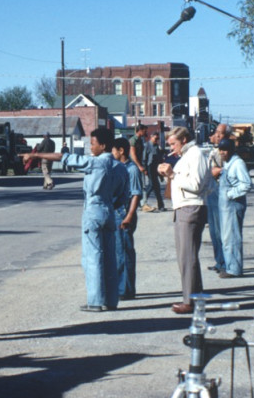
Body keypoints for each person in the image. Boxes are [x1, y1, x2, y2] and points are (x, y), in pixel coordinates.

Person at [33, 127, 127, 312]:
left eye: (93, 143)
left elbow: (64, 158)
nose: (90, 147)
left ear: (103, 145)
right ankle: (111, 300)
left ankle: (95, 300)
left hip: (93, 210)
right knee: (109, 258)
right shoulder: (120, 167)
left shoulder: (95, 163)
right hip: (109, 211)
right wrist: (109, 207)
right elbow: (123, 196)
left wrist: (34, 154)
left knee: (92, 257)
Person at [158, 126, 213, 314]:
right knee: (187, 256)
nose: (171, 147)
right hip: (185, 207)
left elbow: (196, 185)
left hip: (190, 207)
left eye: (173, 143)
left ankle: (189, 300)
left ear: (184, 140)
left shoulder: (195, 154)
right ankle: (195, 296)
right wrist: (168, 175)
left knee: (187, 257)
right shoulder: (188, 156)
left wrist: (173, 175)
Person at [112, 137, 143, 300]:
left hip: (125, 214)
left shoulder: (132, 169)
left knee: (124, 252)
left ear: (121, 151)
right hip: (117, 213)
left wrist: (129, 216)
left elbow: (136, 194)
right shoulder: (119, 167)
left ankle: (125, 290)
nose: (112, 153)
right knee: (119, 252)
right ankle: (122, 287)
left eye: (114, 150)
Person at [217, 138, 252, 278]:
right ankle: (229, 265)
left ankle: (234, 269)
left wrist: (229, 194)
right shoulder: (227, 163)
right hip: (225, 207)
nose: (222, 153)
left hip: (233, 205)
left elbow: (246, 184)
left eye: (224, 150)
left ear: (231, 150)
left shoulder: (238, 164)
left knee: (232, 238)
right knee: (226, 237)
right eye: (220, 150)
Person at [204, 123, 228, 274]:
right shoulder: (213, 151)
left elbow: (227, 169)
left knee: (220, 231)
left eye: (221, 133)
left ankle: (224, 262)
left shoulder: (225, 152)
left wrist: (218, 171)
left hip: (220, 191)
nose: (217, 135)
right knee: (213, 231)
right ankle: (218, 261)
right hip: (211, 192)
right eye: (216, 133)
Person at [141, 131, 166, 212]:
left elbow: (160, 157)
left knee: (157, 187)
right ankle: (143, 202)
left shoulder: (157, 146)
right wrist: (144, 168)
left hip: (156, 167)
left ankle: (160, 205)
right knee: (152, 185)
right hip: (150, 167)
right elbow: (144, 157)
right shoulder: (147, 145)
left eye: (158, 139)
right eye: (155, 138)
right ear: (151, 137)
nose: (157, 140)